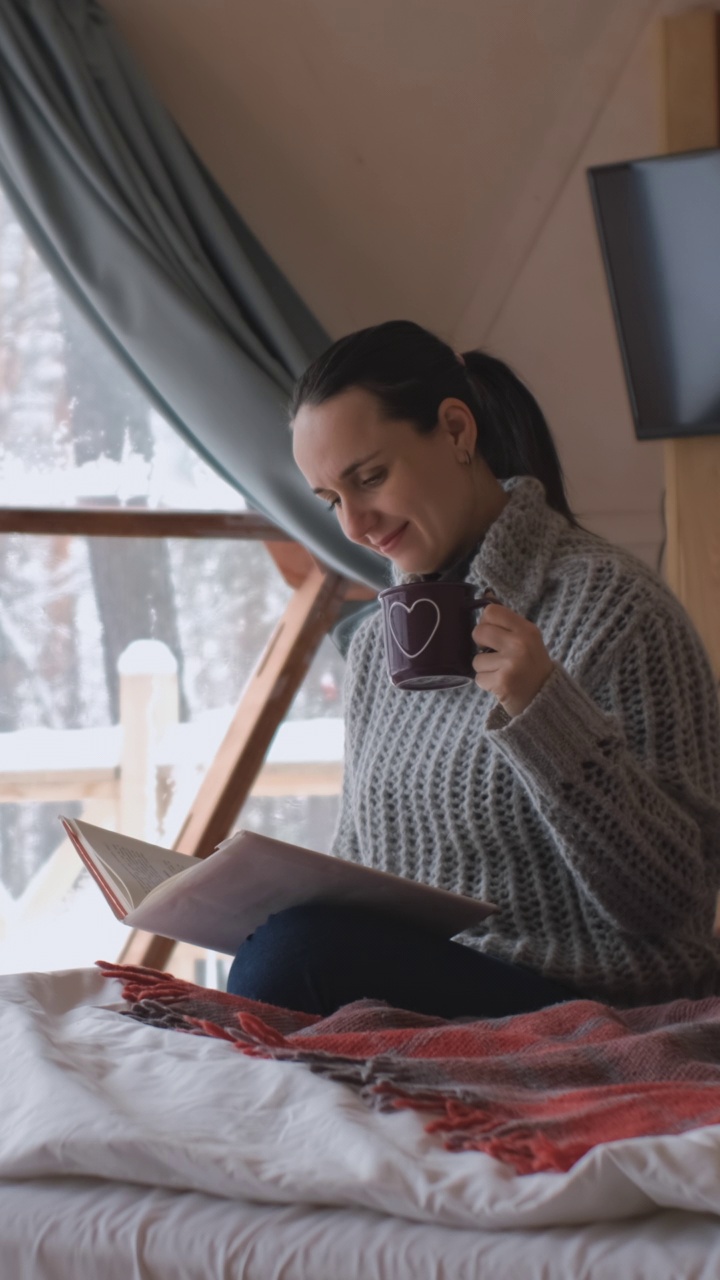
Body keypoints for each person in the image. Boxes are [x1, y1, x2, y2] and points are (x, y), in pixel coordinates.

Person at [227, 319, 720, 1019]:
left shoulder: (618, 609)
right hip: (445, 979)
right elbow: (363, 874)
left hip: (597, 993)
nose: (356, 527)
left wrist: (545, 711)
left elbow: (673, 904)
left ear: (457, 431)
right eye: (332, 500)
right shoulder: (375, 648)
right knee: (276, 951)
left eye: (369, 478)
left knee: (291, 961)